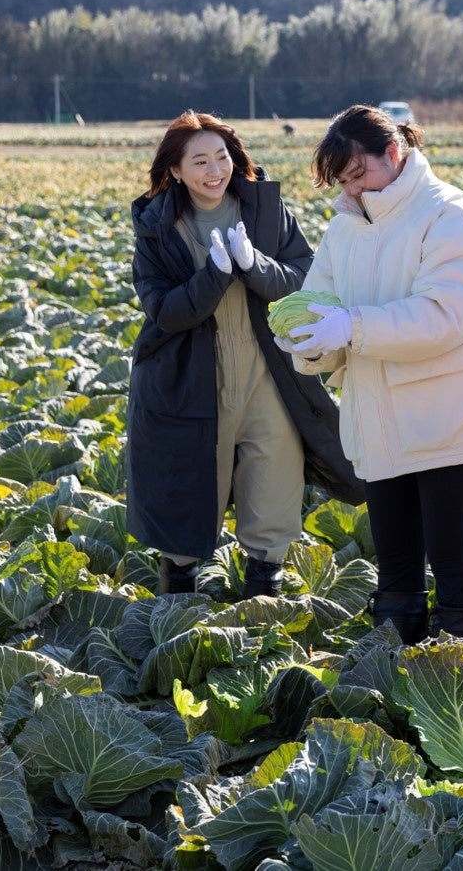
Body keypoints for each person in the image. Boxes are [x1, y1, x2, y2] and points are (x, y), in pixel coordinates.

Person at [280, 105, 463, 651]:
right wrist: (307, 341)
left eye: (360, 173)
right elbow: (320, 302)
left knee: (452, 556)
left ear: (394, 154)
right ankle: (395, 676)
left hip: (448, 417)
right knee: (394, 560)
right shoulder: (345, 229)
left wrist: (352, 327)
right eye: (345, 181)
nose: (356, 189)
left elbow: (449, 315)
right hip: (377, 416)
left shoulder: (452, 215)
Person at [127, 111, 362, 598]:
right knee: (187, 489)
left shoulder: (265, 211)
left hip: (268, 375)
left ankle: (262, 605)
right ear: (175, 171)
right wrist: (213, 275)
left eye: (222, 157)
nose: (215, 170)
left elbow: (303, 279)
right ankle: (178, 607)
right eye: (200, 161)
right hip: (189, 381)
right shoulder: (156, 229)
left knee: (273, 485)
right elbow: (163, 312)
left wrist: (256, 265)